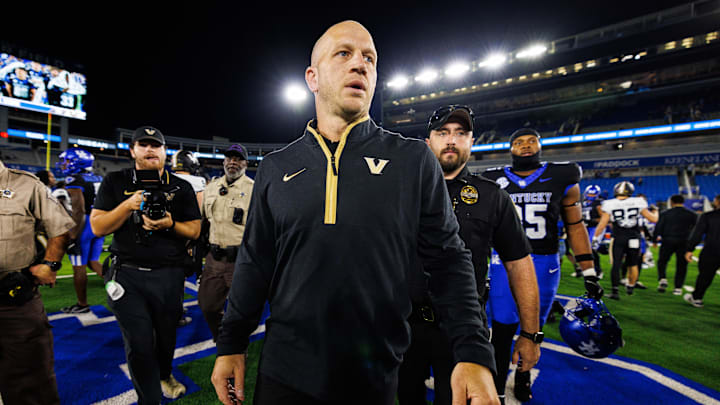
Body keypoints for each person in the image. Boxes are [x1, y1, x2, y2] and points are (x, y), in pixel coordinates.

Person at [211, 21, 500, 405]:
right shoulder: (276, 167)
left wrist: (473, 350)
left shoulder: (412, 160)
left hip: (374, 376)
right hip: (283, 372)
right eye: (343, 53)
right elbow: (255, 262)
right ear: (312, 78)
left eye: (369, 58)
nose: (360, 64)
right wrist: (231, 343)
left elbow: (449, 261)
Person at [398, 105, 539, 405]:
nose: (451, 140)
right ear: (429, 142)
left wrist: (530, 334)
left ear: (472, 142)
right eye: (443, 133)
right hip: (403, 323)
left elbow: (519, 263)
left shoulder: (492, 197)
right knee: (405, 395)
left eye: (461, 133)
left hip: (463, 327)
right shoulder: (399, 190)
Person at [482, 127, 602, 402]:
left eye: (531, 141)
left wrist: (589, 271)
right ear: (510, 148)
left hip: (544, 261)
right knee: (501, 327)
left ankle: (523, 375)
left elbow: (575, 225)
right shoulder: (491, 179)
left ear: (539, 145)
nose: (525, 146)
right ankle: (498, 389)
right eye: (519, 142)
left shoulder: (563, 176)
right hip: (504, 261)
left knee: (532, 327)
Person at [89, 126, 201, 404]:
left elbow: (196, 230)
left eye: (156, 145)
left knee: (165, 337)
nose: (150, 149)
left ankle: (164, 373)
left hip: (169, 275)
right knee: (138, 343)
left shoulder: (181, 186)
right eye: (143, 145)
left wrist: (170, 223)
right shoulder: (115, 181)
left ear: (165, 152)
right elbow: (97, 227)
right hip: (128, 274)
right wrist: (127, 206)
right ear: (132, 150)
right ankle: (148, 400)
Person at [0, 158, 74, 405]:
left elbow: (61, 228)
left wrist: (51, 264)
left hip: (13, 300)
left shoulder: (26, 184)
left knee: (32, 384)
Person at [199, 143, 254, 340]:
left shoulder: (254, 190)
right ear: (223, 162)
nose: (233, 162)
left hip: (241, 261)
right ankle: (221, 337)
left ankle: (237, 348)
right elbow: (203, 221)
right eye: (229, 158)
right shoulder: (211, 187)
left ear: (245, 163)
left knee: (242, 311)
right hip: (214, 260)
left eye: (238, 159)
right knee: (207, 306)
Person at [58, 148, 106, 314]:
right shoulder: (98, 177)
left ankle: (82, 304)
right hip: (99, 222)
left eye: (68, 161)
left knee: (79, 267)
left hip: (84, 224)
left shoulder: (74, 179)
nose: (64, 164)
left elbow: (78, 210)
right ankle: (123, 290)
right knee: (94, 262)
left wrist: (72, 236)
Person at [592, 181, 658, 300]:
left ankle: (615, 291)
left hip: (619, 237)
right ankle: (630, 287)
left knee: (616, 264)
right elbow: (653, 219)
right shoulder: (638, 201)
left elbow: (602, 225)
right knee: (633, 264)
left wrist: (595, 239)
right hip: (634, 237)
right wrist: (656, 211)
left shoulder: (609, 204)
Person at [171, 149, 207, 327]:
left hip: (167, 231)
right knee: (179, 275)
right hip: (187, 233)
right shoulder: (197, 181)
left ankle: (173, 307)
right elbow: (200, 213)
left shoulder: (167, 179)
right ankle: (174, 312)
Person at [653, 195, 698, 293]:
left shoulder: (665, 213)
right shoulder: (692, 214)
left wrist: (654, 240)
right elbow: (696, 231)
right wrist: (692, 244)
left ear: (672, 202)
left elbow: (658, 227)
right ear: (683, 202)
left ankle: (662, 278)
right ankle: (678, 288)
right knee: (682, 265)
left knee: (662, 261)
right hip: (684, 241)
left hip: (668, 240)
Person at [684, 194, 720, 308]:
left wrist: (690, 249)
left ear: (717, 202)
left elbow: (697, 234)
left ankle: (697, 298)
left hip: (711, 250)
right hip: (712, 250)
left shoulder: (708, 216)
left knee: (705, 276)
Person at [581, 184, 604, 279]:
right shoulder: (583, 203)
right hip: (585, 228)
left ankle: (598, 270)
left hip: (594, 228)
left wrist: (591, 221)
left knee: (592, 249)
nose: (590, 196)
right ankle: (588, 269)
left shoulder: (598, 203)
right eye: (589, 194)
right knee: (584, 249)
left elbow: (603, 218)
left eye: (592, 195)